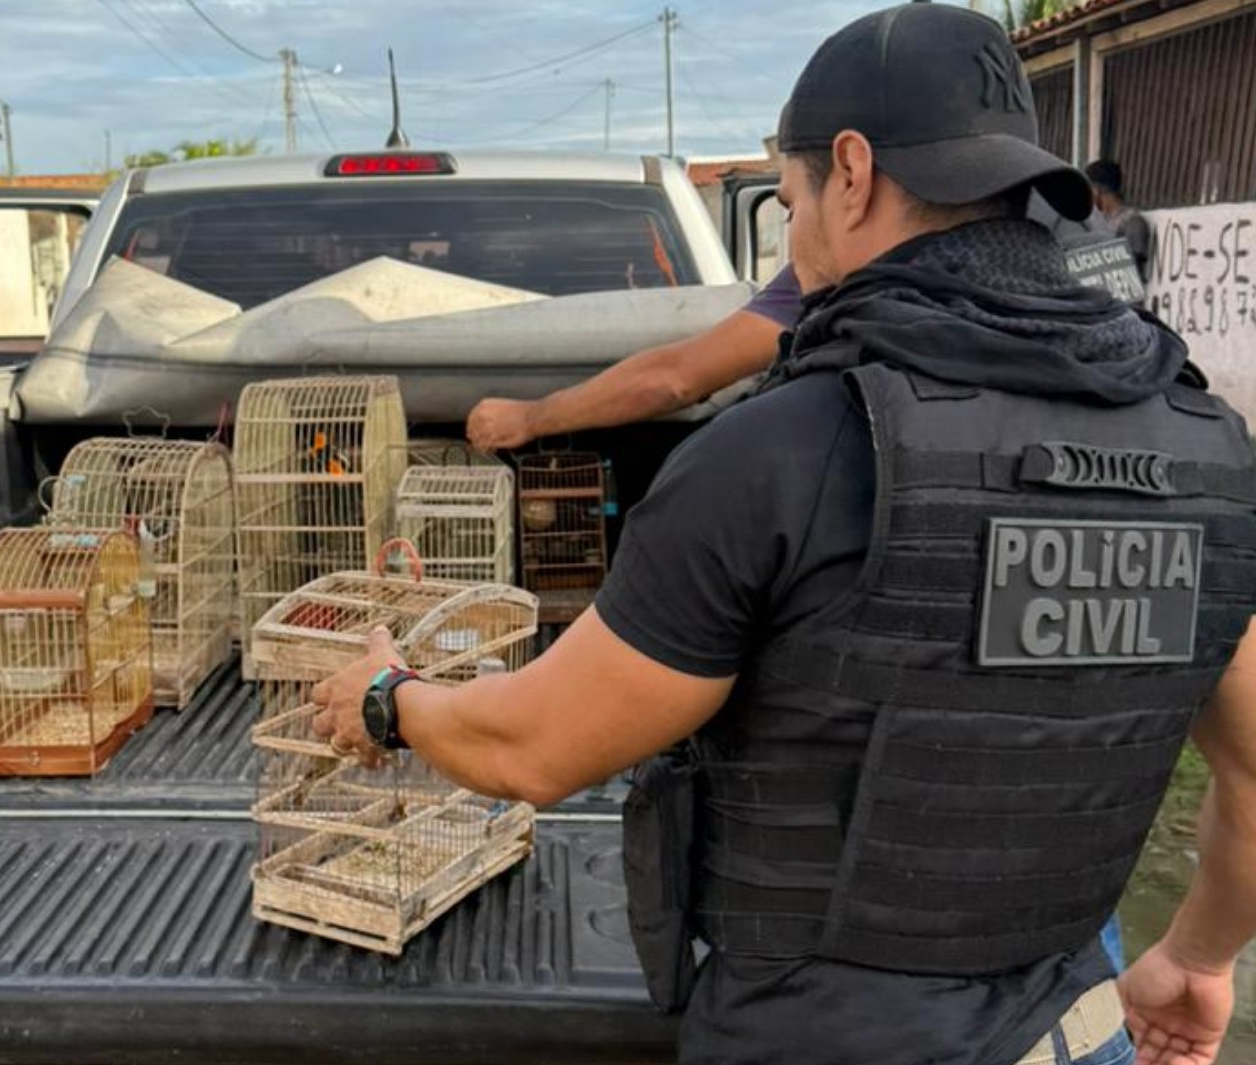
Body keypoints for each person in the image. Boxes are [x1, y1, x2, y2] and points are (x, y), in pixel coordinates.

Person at [311, 6, 1256, 1065]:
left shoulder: (785, 451)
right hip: (1066, 1032)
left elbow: (534, 746)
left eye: (792, 197)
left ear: (848, 173)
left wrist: (390, 701)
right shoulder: (1206, 446)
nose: (794, 239)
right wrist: (1199, 958)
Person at [464, 269, 795, 452]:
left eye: (792, 206)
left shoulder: (810, 284)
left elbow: (674, 379)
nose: (793, 222)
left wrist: (530, 418)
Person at [1087, 159, 1153, 282]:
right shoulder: (1096, 221)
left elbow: (1134, 271)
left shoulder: (1132, 221)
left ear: (1097, 189)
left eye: (1088, 188)